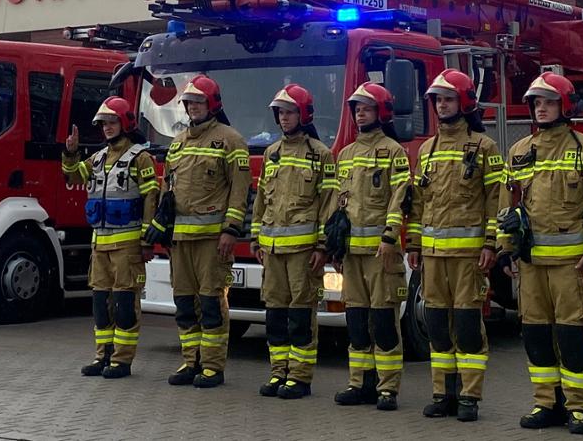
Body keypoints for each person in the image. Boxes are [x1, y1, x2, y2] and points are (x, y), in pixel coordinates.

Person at [502, 72, 583, 435]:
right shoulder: (519, 152)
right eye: (536, 103)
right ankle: (545, 403)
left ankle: (578, 409)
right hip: (531, 265)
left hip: (572, 265)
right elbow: (507, 206)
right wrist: (506, 250)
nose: (541, 108)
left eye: (548, 102)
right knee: (534, 335)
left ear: (564, 105)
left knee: (570, 336)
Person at [407, 70, 505, 422]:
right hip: (432, 258)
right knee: (436, 325)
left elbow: (497, 200)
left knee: (466, 327)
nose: (442, 105)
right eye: (438, 100)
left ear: (464, 102)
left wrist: (492, 244)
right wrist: (414, 244)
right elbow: (418, 203)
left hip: (468, 257)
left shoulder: (484, 147)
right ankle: (443, 393)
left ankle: (469, 396)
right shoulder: (427, 149)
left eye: (448, 99)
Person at [162, 75, 251, 388]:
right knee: (185, 304)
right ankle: (191, 362)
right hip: (179, 241)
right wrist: (162, 229)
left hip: (213, 240)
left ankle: (212, 366)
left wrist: (231, 230)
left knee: (212, 302)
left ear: (212, 104)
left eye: (199, 102)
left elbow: (241, 191)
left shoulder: (231, 140)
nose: (194, 107)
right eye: (189, 103)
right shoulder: (177, 144)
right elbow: (167, 191)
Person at [62, 97, 158, 379]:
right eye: (103, 123)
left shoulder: (141, 158)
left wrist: (145, 240)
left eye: (112, 122)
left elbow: (151, 198)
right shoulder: (98, 157)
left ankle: (122, 360)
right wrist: (71, 153)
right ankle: (102, 356)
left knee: (124, 305)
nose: (106, 127)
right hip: (99, 244)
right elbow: (72, 177)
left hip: (127, 246)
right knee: (101, 304)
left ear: (125, 123)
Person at [251, 84, 337, 399]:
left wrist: (321, 246)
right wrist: (255, 237)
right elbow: (261, 199)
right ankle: (278, 374)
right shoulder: (271, 153)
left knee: (301, 315)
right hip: (272, 250)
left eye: (289, 112)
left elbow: (329, 202)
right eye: (280, 113)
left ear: (303, 114)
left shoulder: (321, 154)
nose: (284, 119)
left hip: (303, 252)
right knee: (275, 315)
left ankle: (299, 377)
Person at [331, 82, 411, 412]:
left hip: (381, 255)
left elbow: (400, 197)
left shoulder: (394, 151)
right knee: (357, 322)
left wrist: (391, 236)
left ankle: (387, 389)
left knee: (383, 322)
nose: (360, 112)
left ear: (382, 111)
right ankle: (359, 383)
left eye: (366, 107)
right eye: (356, 108)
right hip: (352, 256)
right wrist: (335, 244)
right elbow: (339, 203)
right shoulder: (346, 154)